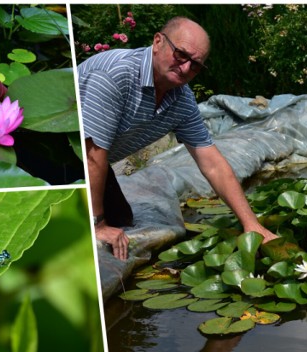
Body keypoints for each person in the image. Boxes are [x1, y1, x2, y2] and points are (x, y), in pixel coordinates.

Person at [78, 16, 278, 260]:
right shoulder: (114, 75)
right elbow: (92, 155)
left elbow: (212, 163)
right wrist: (96, 225)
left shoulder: (181, 100)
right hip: (63, 154)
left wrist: (252, 226)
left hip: (96, 160)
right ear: (158, 41)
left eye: (195, 65)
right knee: (86, 234)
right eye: (181, 55)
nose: (185, 68)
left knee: (122, 222)